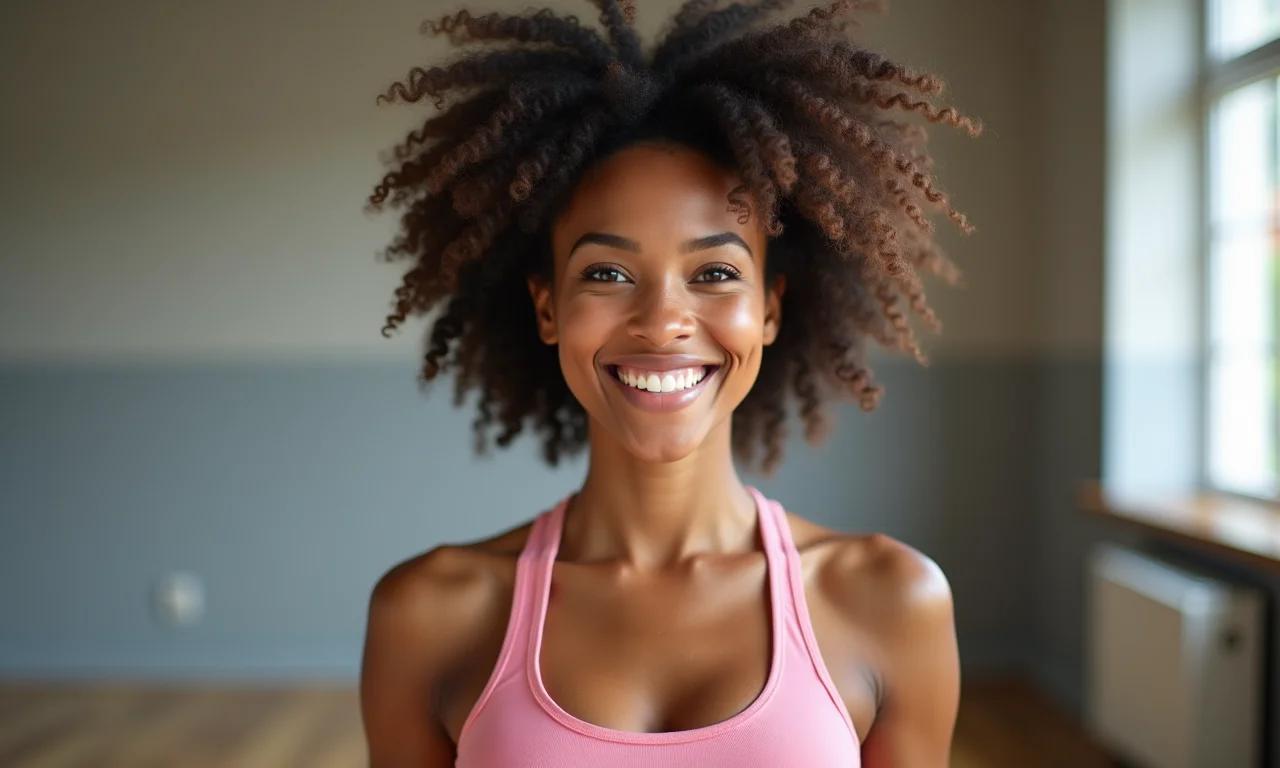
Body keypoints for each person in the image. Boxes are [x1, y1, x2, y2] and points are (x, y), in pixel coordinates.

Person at [359, 1, 980, 765]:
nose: (663, 321)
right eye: (608, 273)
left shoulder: (892, 599)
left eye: (715, 272)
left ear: (771, 310)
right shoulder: (428, 612)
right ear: (548, 308)